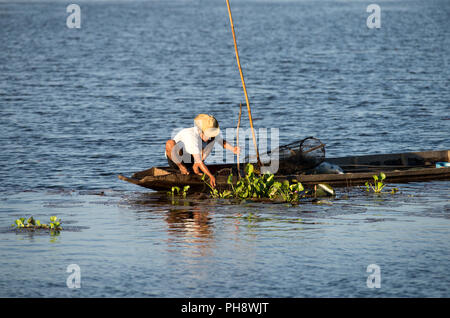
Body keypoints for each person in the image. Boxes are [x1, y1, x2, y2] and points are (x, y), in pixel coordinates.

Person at [165, 114, 240, 188]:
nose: (211, 137)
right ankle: (183, 168)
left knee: (213, 140)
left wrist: (233, 149)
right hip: (176, 160)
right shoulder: (191, 136)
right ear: (201, 131)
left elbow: (222, 142)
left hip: (192, 159)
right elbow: (199, 161)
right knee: (170, 143)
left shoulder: (211, 135)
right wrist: (210, 176)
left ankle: (195, 167)